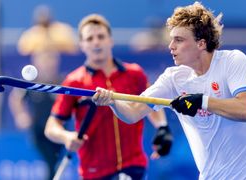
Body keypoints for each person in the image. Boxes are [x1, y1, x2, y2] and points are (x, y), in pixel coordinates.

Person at [92, 2, 246, 179]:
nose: (171, 46)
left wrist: (202, 101)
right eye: (171, 39)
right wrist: (113, 103)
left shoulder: (233, 60)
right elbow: (132, 113)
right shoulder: (174, 78)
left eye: (179, 40)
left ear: (201, 43)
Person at [44, 14, 172, 180]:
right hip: (94, 170)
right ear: (82, 45)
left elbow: (150, 103)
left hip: (133, 166)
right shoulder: (73, 81)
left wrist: (162, 126)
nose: (96, 42)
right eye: (90, 38)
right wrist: (66, 137)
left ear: (110, 40)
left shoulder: (134, 74)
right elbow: (51, 126)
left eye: (101, 36)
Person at [8, 5, 77, 180]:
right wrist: (21, 116)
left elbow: (76, 100)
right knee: (49, 163)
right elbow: (16, 99)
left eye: (52, 58)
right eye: (44, 58)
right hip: (38, 131)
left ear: (57, 60)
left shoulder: (63, 81)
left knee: (55, 163)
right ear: (36, 61)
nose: (48, 62)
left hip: (60, 129)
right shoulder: (31, 83)